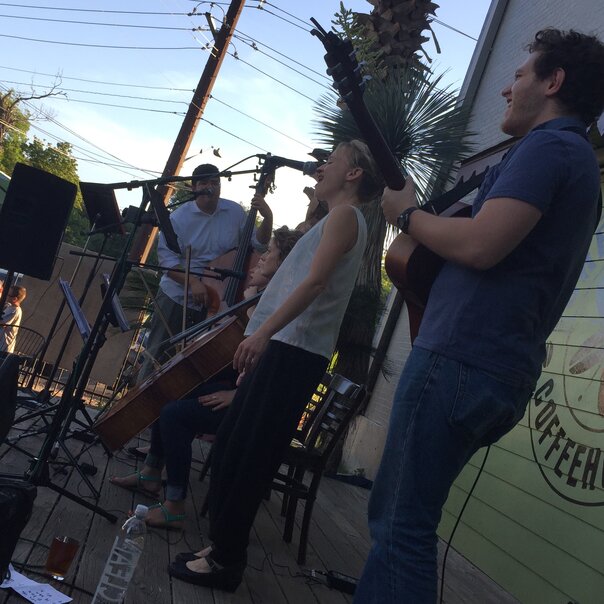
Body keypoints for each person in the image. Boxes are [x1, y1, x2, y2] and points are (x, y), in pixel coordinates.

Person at [353, 28, 604, 604]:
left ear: (553, 82)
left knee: (400, 528)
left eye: (519, 76)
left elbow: (480, 245)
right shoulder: (574, 160)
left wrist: (407, 216)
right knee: (403, 524)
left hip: (461, 360)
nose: (506, 90)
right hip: (488, 367)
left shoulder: (549, 149)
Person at [167, 140, 382, 591]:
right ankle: (219, 547)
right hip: (284, 348)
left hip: (294, 352)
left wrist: (263, 334)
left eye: (331, 161)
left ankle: (226, 561)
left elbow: (315, 283)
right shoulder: (333, 217)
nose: (320, 167)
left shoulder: (347, 216)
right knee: (233, 445)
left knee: (249, 455)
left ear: (354, 174)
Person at [109, 227, 303, 529]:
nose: (261, 258)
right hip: (239, 389)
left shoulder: (281, 309)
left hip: (250, 404)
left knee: (174, 415)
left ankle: (175, 504)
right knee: (172, 390)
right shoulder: (263, 300)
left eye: (269, 252)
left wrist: (236, 396)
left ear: (284, 264)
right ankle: (150, 473)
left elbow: (278, 368)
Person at [138, 163, 273, 380]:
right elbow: (167, 262)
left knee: (195, 367)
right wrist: (192, 282)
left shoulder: (235, 212)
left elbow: (258, 244)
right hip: (178, 296)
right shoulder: (179, 217)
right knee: (156, 358)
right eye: (204, 183)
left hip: (218, 302)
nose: (211, 187)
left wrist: (267, 218)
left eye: (215, 183)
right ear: (193, 188)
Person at [0, 286, 27, 354]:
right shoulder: (9, 306)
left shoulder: (14, 310)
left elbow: (2, 323)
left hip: (3, 347)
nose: (5, 295)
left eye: (8, 294)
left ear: (15, 299)